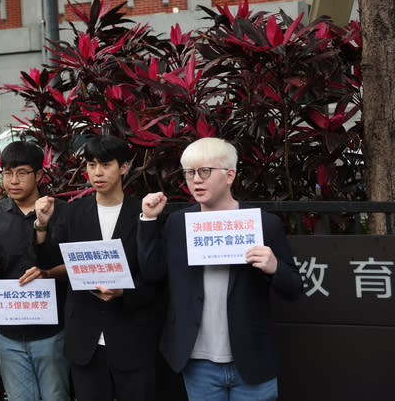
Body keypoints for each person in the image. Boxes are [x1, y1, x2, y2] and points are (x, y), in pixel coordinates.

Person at [137, 137, 302, 400]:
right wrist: (148, 220)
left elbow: (294, 288)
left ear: (230, 175)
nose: (196, 180)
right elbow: (152, 272)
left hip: (252, 359)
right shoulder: (178, 224)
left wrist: (274, 267)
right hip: (197, 360)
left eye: (205, 171)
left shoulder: (263, 224)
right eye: (190, 173)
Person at [36, 135, 164, 401]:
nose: (97, 172)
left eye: (105, 164)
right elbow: (49, 261)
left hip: (131, 337)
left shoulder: (142, 212)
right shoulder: (72, 213)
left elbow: (154, 275)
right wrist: (42, 225)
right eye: (92, 165)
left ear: (124, 166)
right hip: (85, 340)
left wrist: (124, 293)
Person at [0, 141, 70, 401]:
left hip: (51, 330)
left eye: (21, 172)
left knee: (56, 396)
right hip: (8, 331)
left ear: (39, 175)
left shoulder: (61, 211)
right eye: (7, 173)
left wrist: (47, 273)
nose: (13, 180)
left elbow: (77, 268)